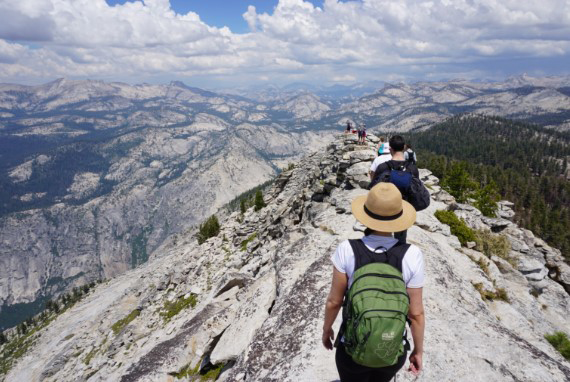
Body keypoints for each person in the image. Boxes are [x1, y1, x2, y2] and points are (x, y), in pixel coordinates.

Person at [322, 182, 425, 382]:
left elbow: (334, 301)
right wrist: (418, 351)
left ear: (365, 215)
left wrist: (327, 330)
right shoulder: (412, 255)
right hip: (391, 347)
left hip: (351, 348)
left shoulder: (347, 249)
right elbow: (416, 313)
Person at [370, 135, 419, 244]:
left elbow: (373, 186)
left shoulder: (383, 167)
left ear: (390, 149)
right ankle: (398, 252)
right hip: (403, 207)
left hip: (383, 207)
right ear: (404, 148)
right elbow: (415, 189)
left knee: (381, 235)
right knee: (400, 237)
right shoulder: (412, 169)